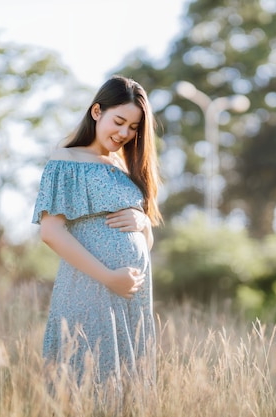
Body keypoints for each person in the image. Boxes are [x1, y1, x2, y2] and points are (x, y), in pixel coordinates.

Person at [31, 75, 162, 404]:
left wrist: (143, 221)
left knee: (127, 396)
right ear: (96, 112)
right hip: (92, 289)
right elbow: (51, 232)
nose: (124, 134)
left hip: (130, 296)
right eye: (119, 122)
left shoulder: (123, 167)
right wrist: (109, 277)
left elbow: (143, 244)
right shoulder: (67, 159)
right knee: (88, 389)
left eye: (133, 127)